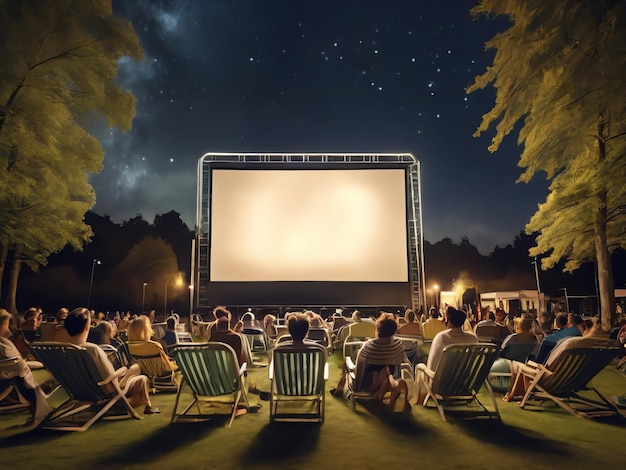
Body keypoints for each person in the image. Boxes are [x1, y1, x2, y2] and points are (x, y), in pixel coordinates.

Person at [64, 308, 156, 414]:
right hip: (105, 391)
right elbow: (109, 377)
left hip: (78, 390)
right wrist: (124, 372)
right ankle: (141, 404)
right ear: (86, 327)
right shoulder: (92, 350)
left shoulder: (63, 350)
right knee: (141, 376)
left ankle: (141, 403)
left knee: (133, 369)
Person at [332, 313, 411, 412]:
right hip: (388, 380)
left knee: (347, 359)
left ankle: (339, 388)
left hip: (367, 385)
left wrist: (350, 365)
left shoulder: (368, 347)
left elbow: (358, 368)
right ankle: (382, 391)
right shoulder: (397, 345)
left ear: (378, 329)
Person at [0, 310, 53, 429]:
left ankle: (37, 409)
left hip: (8, 374)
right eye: (6, 325)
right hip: (9, 377)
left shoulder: (4, 342)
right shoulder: (4, 344)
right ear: (2, 325)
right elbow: (16, 364)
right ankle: (39, 411)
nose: (8, 329)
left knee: (24, 375)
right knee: (26, 376)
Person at [426, 307, 478, 374]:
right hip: (467, 381)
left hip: (444, 382)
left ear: (448, 320)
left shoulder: (441, 337)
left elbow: (432, 365)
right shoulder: (473, 339)